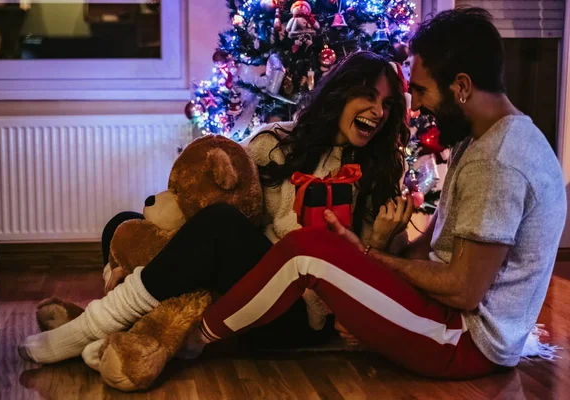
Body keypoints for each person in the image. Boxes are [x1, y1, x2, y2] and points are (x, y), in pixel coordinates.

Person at [173, 7, 567, 379]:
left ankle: (191, 340)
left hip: (463, 340)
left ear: (461, 86)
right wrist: (361, 257)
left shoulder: (499, 159)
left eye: (423, 91)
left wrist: (365, 256)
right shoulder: (477, 143)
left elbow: (464, 290)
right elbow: (427, 252)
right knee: (316, 248)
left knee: (306, 251)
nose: (417, 109)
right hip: (444, 317)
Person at [19, 51, 415, 364]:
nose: (378, 112)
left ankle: (90, 327)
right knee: (125, 224)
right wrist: (141, 254)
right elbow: (214, 205)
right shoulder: (274, 143)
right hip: (238, 283)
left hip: (295, 314)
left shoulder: (379, 175)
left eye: (388, 104)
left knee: (221, 224)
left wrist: (379, 240)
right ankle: (118, 322)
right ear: (340, 94)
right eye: (368, 95)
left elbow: (373, 286)